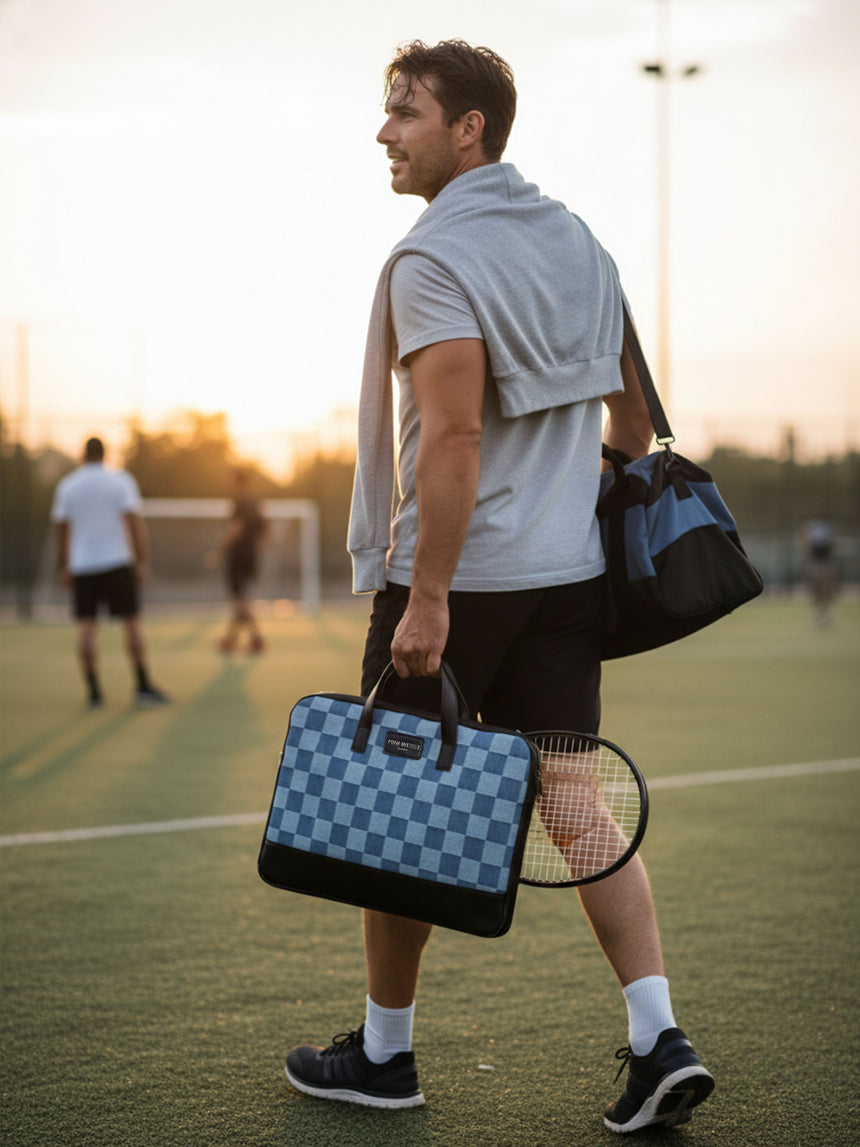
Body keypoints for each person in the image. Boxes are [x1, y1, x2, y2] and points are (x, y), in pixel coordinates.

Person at [283, 40, 714, 1134]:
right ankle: (657, 1036)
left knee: (389, 816)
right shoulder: (581, 242)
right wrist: (574, 493)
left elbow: (456, 437)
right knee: (574, 801)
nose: (385, 131)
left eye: (404, 112)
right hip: (564, 579)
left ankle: (383, 1058)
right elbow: (629, 422)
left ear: (467, 128)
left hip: (456, 584)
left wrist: (426, 599)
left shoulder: (433, 259)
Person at [51, 436, 170, 709]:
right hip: (117, 561)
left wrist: (63, 565)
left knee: (86, 625)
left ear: (83, 455)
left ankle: (94, 693)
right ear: (105, 454)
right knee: (132, 621)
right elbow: (136, 523)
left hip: (82, 565)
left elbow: (61, 529)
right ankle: (142, 686)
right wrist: (142, 560)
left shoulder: (68, 486)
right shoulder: (121, 481)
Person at [205, 468, 269, 654]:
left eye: (231, 479)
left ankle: (256, 639)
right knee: (240, 599)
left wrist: (218, 552)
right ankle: (231, 639)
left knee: (240, 600)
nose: (228, 483)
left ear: (238, 482)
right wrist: (257, 550)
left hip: (239, 558)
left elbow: (236, 529)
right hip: (249, 557)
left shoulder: (241, 503)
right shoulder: (255, 503)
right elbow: (266, 530)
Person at [800, 518, 838, 626]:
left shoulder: (828, 529)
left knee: (825, 586)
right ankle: (818, 611)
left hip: (825, 562)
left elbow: (833, 545)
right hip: (815, 562)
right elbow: (806, 547)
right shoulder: (810, 529)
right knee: (816, 588)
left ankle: (824, 610)